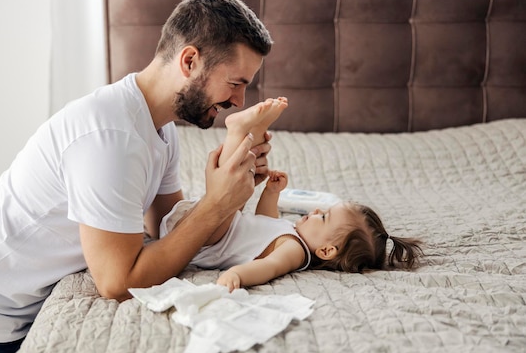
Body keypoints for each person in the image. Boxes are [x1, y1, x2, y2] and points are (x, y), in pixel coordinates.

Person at [0, 0, 274, 353]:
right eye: (236, 83)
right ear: (189, 61)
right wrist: (214, 203)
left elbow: (172, 232)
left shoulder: (161, 129)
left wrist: (232, 186)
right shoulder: (110, 138)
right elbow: (117, 282)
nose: (239, 102)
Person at [159, 101, 424, 292]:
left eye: (324, 218)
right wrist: (271, 193)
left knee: (235, 195)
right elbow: (265, 222)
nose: (317, 211)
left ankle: (239, 132)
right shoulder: (292, 234)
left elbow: (269, 267)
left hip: (207, 243)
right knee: (240, 189)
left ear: (327, 250)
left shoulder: (296, 252)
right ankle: (255, 131)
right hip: (207, 227)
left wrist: (237, 275)